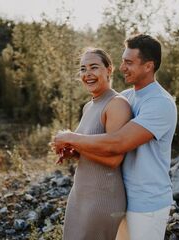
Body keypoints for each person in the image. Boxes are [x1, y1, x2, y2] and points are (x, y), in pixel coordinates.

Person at [54, 34, 177, 240]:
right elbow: (101, 144)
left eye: (129, 62)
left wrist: (71, 137)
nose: (122, 67)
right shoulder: (127, 97)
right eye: (122, 61)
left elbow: (117, 144)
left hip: (147, 203)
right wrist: (76, 151)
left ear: (148, 66)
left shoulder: (160, 103)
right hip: (123, 198)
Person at [57, 48, 132, 240]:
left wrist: (72, 138)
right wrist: (73, 152)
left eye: (94, 67)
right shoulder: (88, 106)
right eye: (83, 69)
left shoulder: (117, 104)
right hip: (80, 194)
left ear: (109, 69)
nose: (87, 74)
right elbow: (91, 147)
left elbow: (114, 159)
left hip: (103, 198)